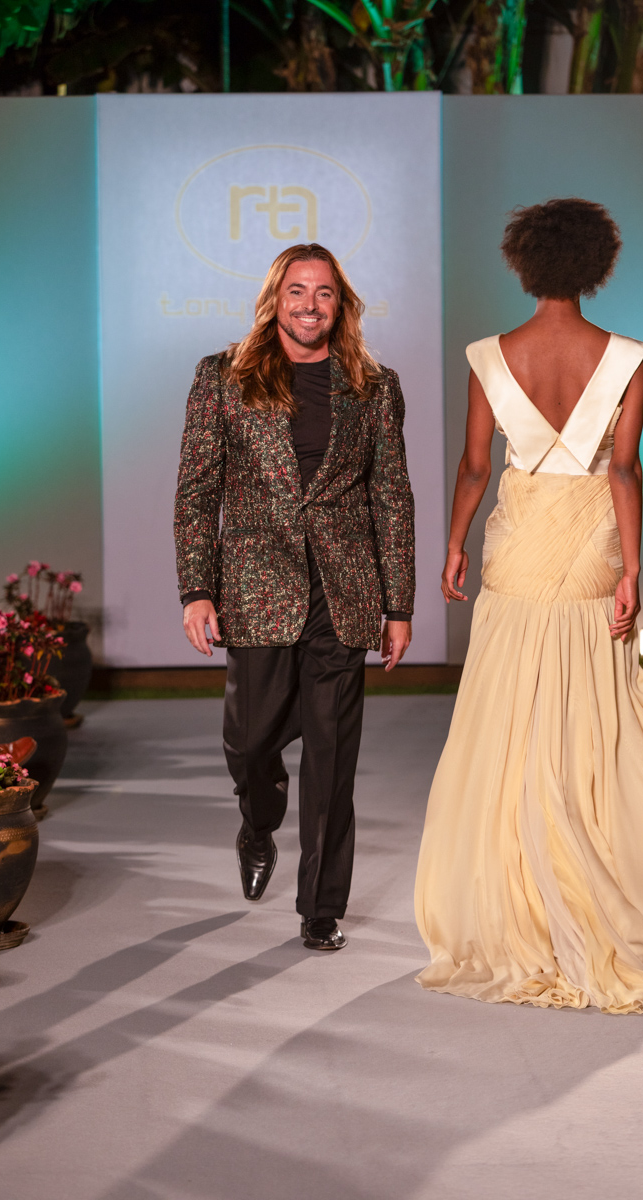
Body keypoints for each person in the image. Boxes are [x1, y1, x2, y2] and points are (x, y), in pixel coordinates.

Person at [414, 198, 643, 1015]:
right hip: (591, 553)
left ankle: (522, 910)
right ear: (596, 265)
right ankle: (595, 895)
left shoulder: (489, 357)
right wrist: (633, 570)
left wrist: (456, 541)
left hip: (517, 551)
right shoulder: (628, 358)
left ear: (524, 263)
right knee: (593, 721)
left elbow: (476, 465)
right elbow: (624, 470)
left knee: (512, 720)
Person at [175, 243, 415, 951]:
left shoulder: (373, 386)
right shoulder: (223, 377)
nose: (311, 305)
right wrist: (197, 589)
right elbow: (197, 492)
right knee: (251, 742)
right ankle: (257, 823)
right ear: (274, 300)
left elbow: (391, 498)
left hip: (343, 592)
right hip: (255, 586)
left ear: (341, 304)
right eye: (298, 292)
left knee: (332, 758)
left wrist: (397, 605)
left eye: (325, 293)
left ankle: (321, 908)